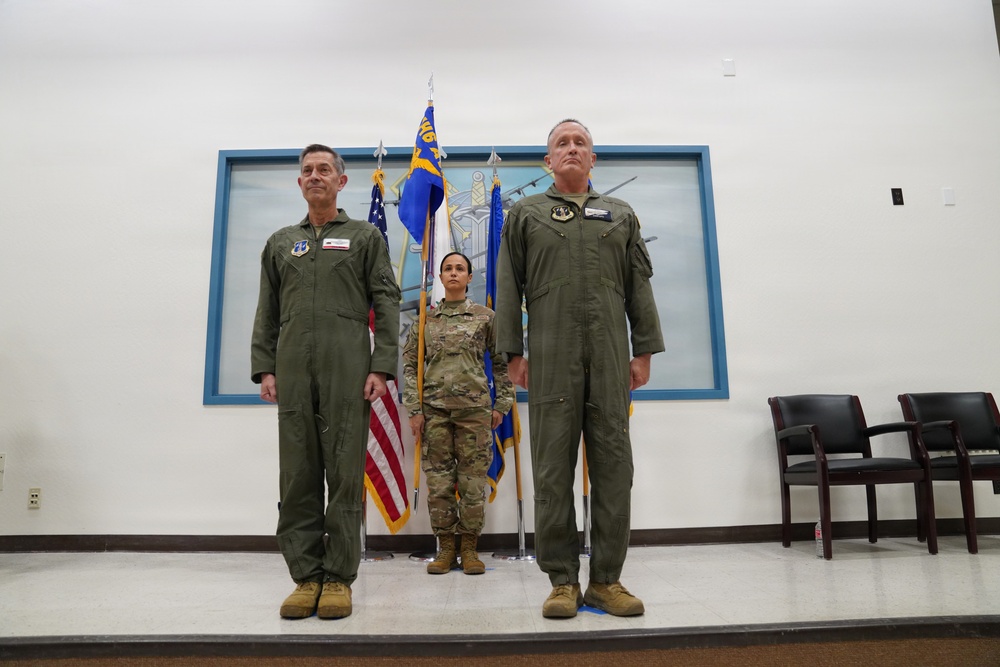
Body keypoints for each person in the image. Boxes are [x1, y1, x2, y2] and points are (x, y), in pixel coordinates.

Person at [496, 119, 664, 619]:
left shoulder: (621, 214)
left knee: (614, 469)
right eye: (561, 143)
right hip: (550, 357)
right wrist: (513, 353)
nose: (571, 148)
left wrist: (643, 350)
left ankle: (607, 581)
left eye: (580, 142)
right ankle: (563, 582)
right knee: (552, 472)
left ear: (593, 158)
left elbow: (639, 286)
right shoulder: (525, 214)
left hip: (610, 356)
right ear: (548, 161)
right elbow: (508, 286)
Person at [251, 144, 401, 620]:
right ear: (300, 183)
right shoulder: (280, 243)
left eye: (324, 169)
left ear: (341, 181)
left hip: (348, 366)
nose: (315, 176)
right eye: (307, 171)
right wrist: (266, 366)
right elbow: (267, 310)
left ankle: (337, 577)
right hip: (293, 367)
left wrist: (382, 366)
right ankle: (305, 577)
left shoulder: (364, 237)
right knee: (297, 474)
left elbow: (387, 301)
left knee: (343, 474)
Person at [402, 251, 514, 575]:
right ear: (440, 277)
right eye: (448, 268)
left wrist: (502, 405)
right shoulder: (425, 321)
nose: (453, 273)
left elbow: (502, 364)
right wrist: (414, 409)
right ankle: (446, 548)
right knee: (439, 485)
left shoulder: (485, 317)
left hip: (474, 413)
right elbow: (410, 366)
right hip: (434, 412)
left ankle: (470, 548)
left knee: (472, 484)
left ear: (468, 277)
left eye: (460, 268)